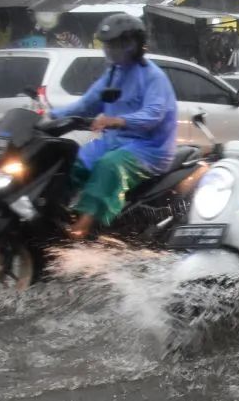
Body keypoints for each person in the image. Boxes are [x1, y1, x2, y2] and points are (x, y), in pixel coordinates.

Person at [50, 13, 178, 239]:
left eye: (115, 44)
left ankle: (83, 226)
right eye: (107, 44)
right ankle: (56, 214)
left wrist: (118, 120)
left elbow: (154, 114)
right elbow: (87, 103)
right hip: (114, 142)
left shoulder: (153, 76)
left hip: (149, 148)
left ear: (133, 44)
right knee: (73, 162)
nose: (109, 49)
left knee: (109, 166)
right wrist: (50, 117)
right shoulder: (113, 73)